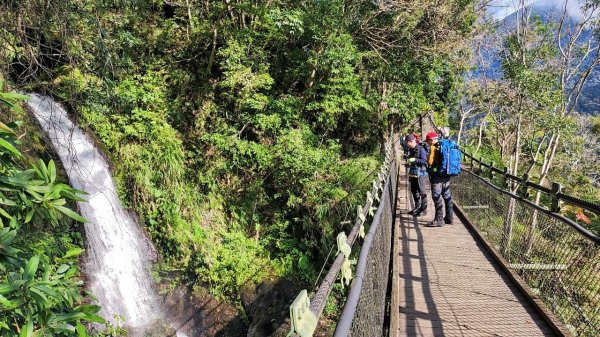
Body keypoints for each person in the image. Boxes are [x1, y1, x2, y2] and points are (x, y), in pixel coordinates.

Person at [425, 131, 454, 227]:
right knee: (447, 196)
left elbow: (430, 161)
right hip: (446, 174)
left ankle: (439, 219)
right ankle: (449, 218)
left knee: (436, 196)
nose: (428, 143)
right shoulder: (446, 144)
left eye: (428, 141)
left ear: (431, 140)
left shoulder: (434, 146)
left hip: (437, 176)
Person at [404, 134, 428, 216]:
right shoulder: (410, 149)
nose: (406, 144)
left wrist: (415, 159)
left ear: (411, 141)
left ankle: (424, 210)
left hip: (420, 173)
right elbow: (412, 161)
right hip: (412, 174)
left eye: (407, 142)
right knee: (414, 191)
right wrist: (409, 164)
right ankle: (417, 208)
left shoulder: (421, 149)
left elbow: (424, 161)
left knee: (422, 191)